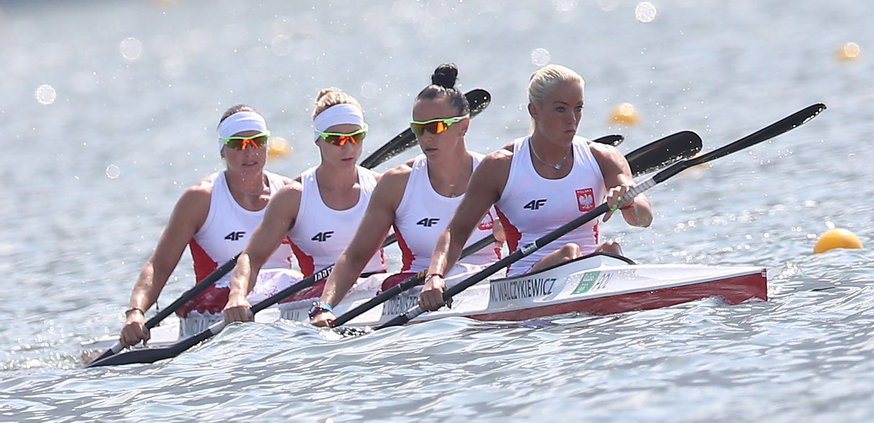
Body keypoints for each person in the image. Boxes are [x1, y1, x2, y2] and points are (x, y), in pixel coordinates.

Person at [417, 64, 652, 312]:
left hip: (592, 273)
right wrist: (435, 277)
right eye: (560, 109)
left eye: (578, 108)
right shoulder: (501, 165)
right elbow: (456, 232)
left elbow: (644, 218)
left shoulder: (603, 156)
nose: (572, 119)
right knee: (568, 252)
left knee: (610, 249)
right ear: (535, 110)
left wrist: (628, 200)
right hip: (525, 283)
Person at [309, 64, 501, 327]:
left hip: (489, 278)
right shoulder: (398, 183)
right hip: (418, 287)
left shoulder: (495, 171)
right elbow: (355, 257)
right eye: (419, 129)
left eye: (435, 127)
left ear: (464, 125)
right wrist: (325, 306)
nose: (425, 137)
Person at [118, 105, 295, 346]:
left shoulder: (288, 193)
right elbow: (159, 266)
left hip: (284, 298)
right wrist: (136, 312)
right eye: (238, 144)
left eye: (256, 142)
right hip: (217, 309)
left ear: (266, 144)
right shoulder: (201, 199)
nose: (249, 152)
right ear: (222, 150)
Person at [223, 88, 385, 323]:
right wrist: (237, 296)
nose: (348, 147)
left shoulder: (382, 187)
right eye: (337, 140)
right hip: (316, 300)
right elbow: (251, 258)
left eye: (355, 137)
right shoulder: (294, 197)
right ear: (318, 138)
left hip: (375, 290)